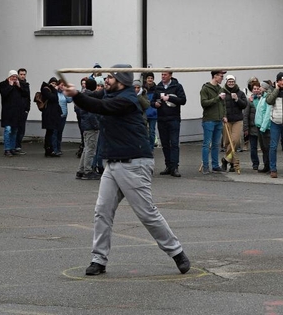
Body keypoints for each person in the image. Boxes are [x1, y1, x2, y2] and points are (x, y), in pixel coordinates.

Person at [63, 63, 190, 276]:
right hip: (112, 164)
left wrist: (77, 95)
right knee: (102, 211)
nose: (106, 81)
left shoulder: (127, 100)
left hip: (135, 163)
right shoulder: (111, 94)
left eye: (110, 78)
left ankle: (177, 252)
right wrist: (76, 93)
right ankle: (98, 259)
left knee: (147, 213)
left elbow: (99, 107)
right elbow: (94, 97)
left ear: (121, 82)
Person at [152, 70, 187, 177]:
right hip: (162, 119)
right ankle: (168, 166)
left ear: (170, 76)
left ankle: (175, 167)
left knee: (174, 143)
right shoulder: (158, 87)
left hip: (174, 119)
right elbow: (152, 101)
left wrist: (170, 98)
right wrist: (155, 104)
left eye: (165, 74)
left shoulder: (177, 86)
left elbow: (183, 100)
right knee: (165, 144)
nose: (163, 76)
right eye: (162, 74)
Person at [200, 70, 227, 175]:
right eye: (221, 76)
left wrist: (224, 115)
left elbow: (223, 104)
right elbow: (204, 103)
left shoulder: (220, 89)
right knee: (206, 144)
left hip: (218, 119)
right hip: (209, 120)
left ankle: (215, 165)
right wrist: (217, 98)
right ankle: (206, 166)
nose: (222, 78)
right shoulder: (205, 88)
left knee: (216, 144)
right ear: (215, 76)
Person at [76, 79, 101, 181]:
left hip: (85, 125)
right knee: (90, 149)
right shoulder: (91, 97)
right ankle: (87, 171)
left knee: (86, 149)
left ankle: (81, 170)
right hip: (91, 126)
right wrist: (96, 125)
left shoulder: (83, 95)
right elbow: (92, 114)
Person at [0, 70, 28, 157]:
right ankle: (7, 149)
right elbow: (4, 94)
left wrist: (19, 87)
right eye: (13, 76)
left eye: (16, 77)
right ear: (9, 77)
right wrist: (10, 85)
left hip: (17, 112)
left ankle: (12, 148)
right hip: (7, 112)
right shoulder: (3, 84)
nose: (14, 78)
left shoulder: (18, 85)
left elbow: (25, 94)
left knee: (15, 131)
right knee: (8, 130)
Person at [221, 75, 247, 170]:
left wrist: (237, 99)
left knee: (235, 141)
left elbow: (244, 105)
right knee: (227, 142)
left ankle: (225, 159)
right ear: (226, 82)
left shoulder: (240, 93)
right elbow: (220, 106)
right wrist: (223, 116)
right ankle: (231, 163)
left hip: (237, 120)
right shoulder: (222, 92)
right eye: (229, 81)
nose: (231, 83)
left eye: (232, 81)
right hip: (226, 120)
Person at [40, 77, 62, 157]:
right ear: (49, 83)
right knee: (49, 132)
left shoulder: (50, 89)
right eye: (52, 83)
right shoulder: (46, 89)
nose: (54, 85)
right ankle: (48, 149)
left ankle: (50, 149)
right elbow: (54, 98)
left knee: (51, 132)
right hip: (48, 114)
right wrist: (54, 90)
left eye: (55, 84)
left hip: (53, 114)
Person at [254, 80, 273, 173]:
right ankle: (266, 165)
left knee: (267, 147)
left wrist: (263, 126)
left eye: (260, 87)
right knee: (263, 148)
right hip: (259, 126)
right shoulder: (261, 97)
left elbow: (267, 113)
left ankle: (270, 166)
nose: (259, 88)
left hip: (264, 127)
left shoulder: (267, 98)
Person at [243, 82, 261, 170]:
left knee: (265, 147)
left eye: (258, 88)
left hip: (262, 127)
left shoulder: (263, 99)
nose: (256, 90)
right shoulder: (249, 101)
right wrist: (245, 128)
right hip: (252, 127)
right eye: (255, 89)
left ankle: (267, 163)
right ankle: (255, 163)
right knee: (253, 147)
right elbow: (245, 115)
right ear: (252, 90)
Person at [15, 68, 30, 152]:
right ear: (18, 75)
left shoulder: (26, 85)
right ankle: (14, 146)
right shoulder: (15, 84)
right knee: (15, 129)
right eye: (21, 74)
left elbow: (27, 97)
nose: (23, 76)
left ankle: (18, 146)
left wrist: (27, 109)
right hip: (16, 110)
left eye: (24, 74)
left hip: (24, 110)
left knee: (21, 129)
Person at [56, 81, 73, 155]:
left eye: (64, 85)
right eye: (61, 85)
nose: (62, 86)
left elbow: (69, 100)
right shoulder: (55, 93)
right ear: (58, 85)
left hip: (64, 115)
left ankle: (58, 147)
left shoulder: (63, 93)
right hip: (56, 115)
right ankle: (54, 148)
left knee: (60, 132)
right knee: (55, 132)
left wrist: (66, 92)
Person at [144, 72, 158, 150]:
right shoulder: (143, 89)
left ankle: (151, 148)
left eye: (151, 78)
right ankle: (146, 148)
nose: (150, 79)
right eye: (148, 78)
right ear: (146, 79)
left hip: (153, 113)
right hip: (145, 113)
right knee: (145, 132)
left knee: (152, 132)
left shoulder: (156, 89)